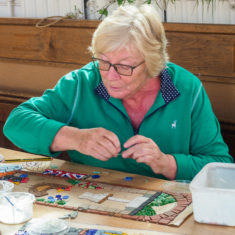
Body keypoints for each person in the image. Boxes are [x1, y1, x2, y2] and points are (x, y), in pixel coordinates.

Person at [3, 4, 233, 181]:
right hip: (93, 201)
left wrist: (167, 163)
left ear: (152, 64)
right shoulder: (82, 82)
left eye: (124, 66)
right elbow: (16, 123)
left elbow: (221, 166)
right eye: (103, 61)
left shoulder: (186, 88)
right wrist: (75, 138)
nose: (110, 76)